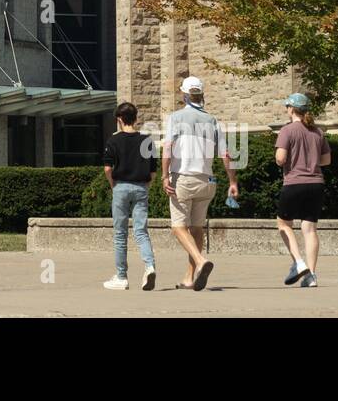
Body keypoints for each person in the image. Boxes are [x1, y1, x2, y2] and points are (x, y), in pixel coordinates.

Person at [161, 76, 238, 291]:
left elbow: (167, 148)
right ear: (201, 94)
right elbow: (226, 154)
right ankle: (189, 277)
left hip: (183, 178)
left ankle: (201, 261)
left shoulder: (176, 117)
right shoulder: (213, 120)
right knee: (196, 229)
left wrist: (164, 176)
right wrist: (233, 181)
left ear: (184, 95)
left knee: (178, 228)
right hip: (208, 181)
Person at [275, 93, 332, 288]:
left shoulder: (287, 131)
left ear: (291, 109)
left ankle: (298, 263)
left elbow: (281, 158)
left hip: (293, 183)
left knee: (284, 224)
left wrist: (281, 158)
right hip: (317, 183)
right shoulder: (318, 132)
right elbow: (326, 161)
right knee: (309, 229)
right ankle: (312, 275)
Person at [102, 102, 158, 291]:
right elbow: (153, 172)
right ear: (136, 118)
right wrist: (146, 187)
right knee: (141, 231)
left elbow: (108, 168)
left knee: (120, 234)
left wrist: (113, 185)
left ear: (119, 119)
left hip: (121, 187)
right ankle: (149, 266)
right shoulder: (147, 140)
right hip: (141, 187)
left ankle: (121, 277)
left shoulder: (113, 141)